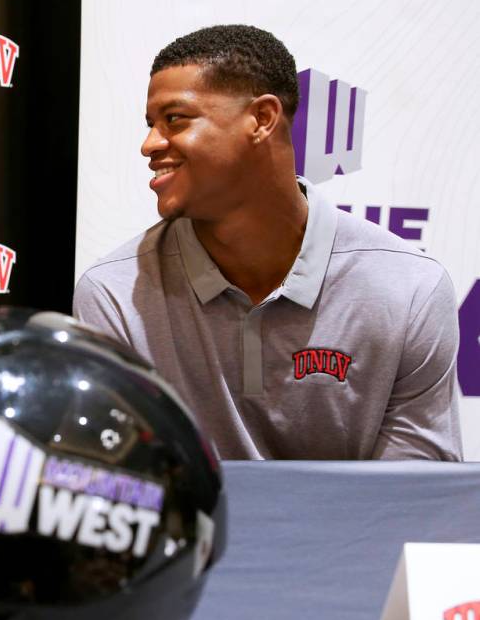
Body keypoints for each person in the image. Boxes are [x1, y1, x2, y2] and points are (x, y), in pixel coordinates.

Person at [73, 24, 462, 460]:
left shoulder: (408, 287)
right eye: (150, 124)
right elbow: (118, 484)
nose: (149, 144)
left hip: (353, 531)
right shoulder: (113, 294)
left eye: (175, 119)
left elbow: (413, 494)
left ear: (261, 119)